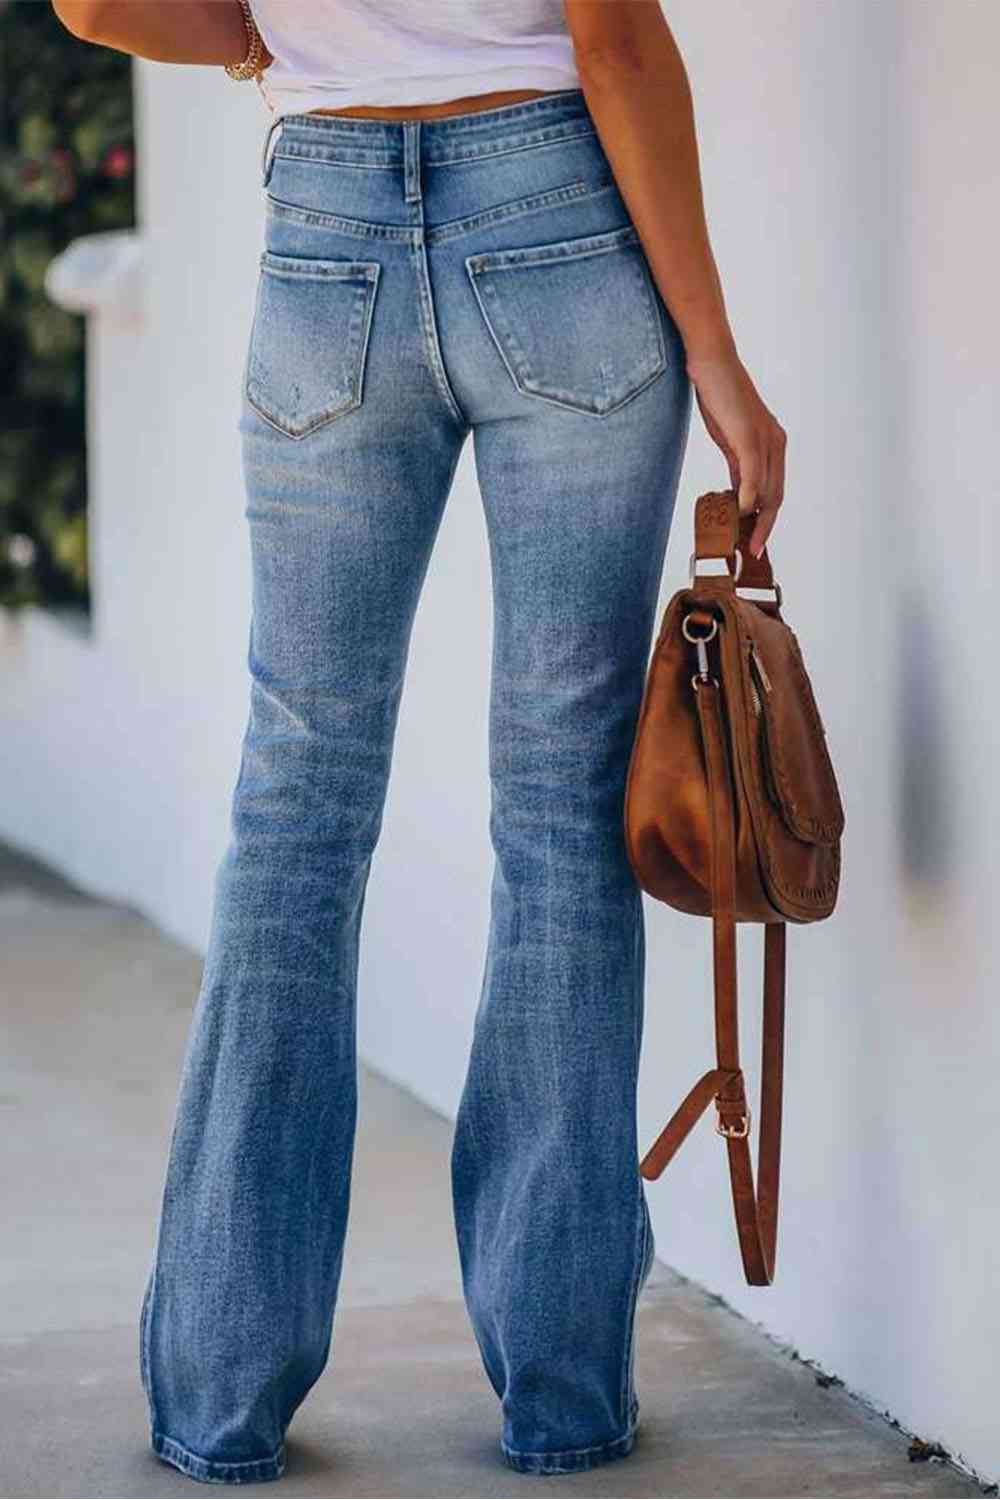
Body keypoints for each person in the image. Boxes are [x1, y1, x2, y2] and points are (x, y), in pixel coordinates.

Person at [54, 0, 786, 1484]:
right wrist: (717, 353)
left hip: (328, 228)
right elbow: (614, 41)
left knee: (296, 806)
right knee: (565, 811)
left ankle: (219, 1396)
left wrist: (266, 40)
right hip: (562, 224)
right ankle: (563, 1398)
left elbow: (94, 1)